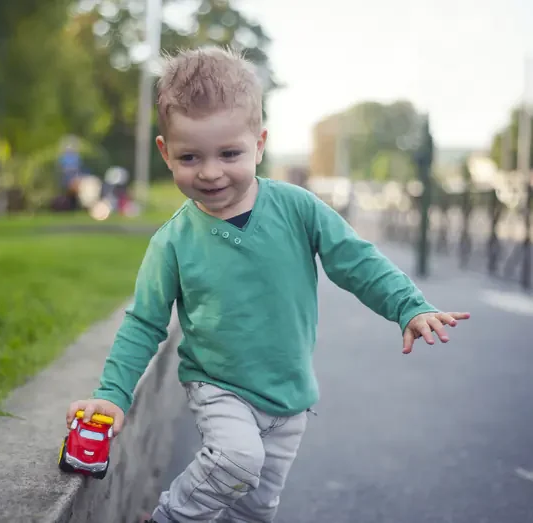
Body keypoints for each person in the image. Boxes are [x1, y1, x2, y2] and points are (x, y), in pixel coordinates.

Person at [65, 47, 470, 523]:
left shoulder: (298, 209)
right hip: (219, 386)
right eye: (190, 156)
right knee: (237, 460)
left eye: (230, 153)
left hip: (290, 398)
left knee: (255, 511)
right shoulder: (172, 242)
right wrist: (113, 394)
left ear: (259, 143)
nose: (211, 171)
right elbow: (144, 324)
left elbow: (356, 260)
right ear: (165, 152)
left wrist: (408, 305)